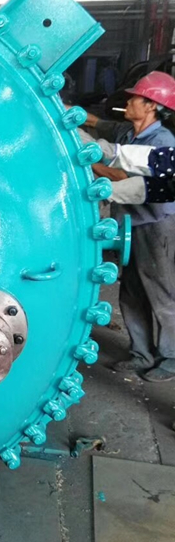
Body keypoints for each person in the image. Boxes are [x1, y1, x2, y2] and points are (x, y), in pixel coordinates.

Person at [83, 71, 175, 382]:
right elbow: (97, 124)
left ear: (151, 106)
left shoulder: (163, 143)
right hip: (129, 225)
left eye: (136, 97)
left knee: (160, 291)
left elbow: (123, 177)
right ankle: (141, 354)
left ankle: (171, 356)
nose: (129, 101)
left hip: (156, 225)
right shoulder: (128, 133)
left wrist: (88, 161)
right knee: (132, 291)